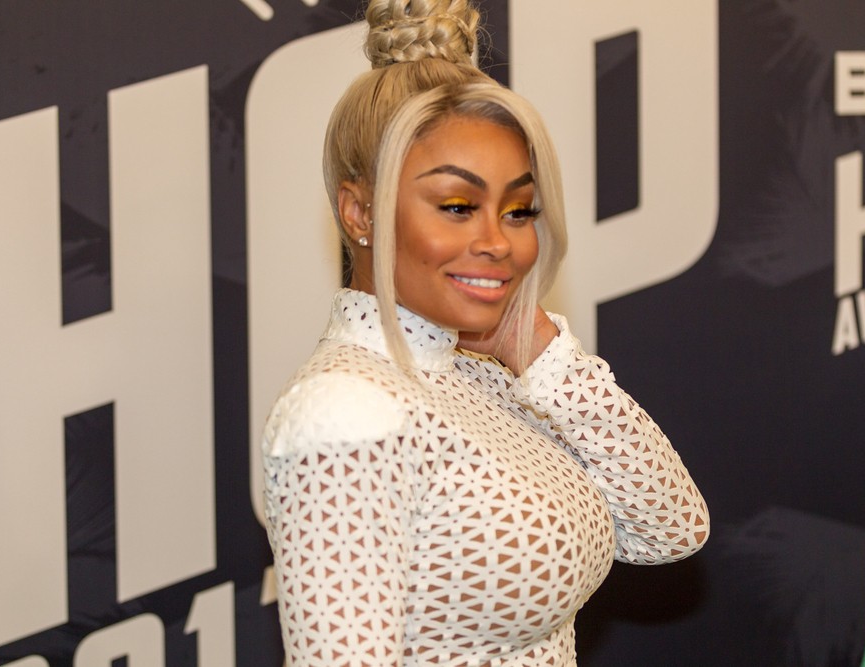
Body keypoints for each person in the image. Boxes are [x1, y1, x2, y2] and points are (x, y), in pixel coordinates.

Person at [261, 0, 709, 664]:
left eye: (519, 209)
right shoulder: (343, 412)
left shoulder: (480, 372)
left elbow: (671, 527)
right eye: (457, 206)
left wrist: (539, 348)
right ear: (359, 212)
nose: (499, 242)